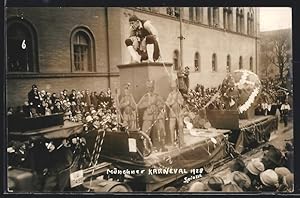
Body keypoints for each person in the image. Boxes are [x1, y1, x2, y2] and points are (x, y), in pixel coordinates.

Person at [137, 80, 167, 152]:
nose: (150, 89)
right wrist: (147, 104)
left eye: (151, 87)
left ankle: (162, 145)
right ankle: (145, 148)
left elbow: (163, 104)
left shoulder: (157, 96)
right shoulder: (145, 97)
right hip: (148, 116)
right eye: (149, 87)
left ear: (153, 87)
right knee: (145, 131)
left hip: (157, 115)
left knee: (161, 129)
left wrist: (159, 106)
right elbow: (139, 106)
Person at [165, 79, 185, 147]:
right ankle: (173, 142)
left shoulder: (179, 94)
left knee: (181, 126)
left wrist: (178, 100)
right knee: (171, 128)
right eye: (173, 87)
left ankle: (181, 142)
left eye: (175, 87)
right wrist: (172, 102)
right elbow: (167, 102)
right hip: (172, 113)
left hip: (179, 113)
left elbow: (182, 102)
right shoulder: (170, 94)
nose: (174, 88)